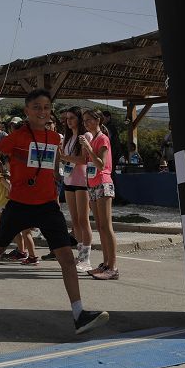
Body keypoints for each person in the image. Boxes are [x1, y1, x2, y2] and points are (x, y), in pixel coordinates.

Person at [0, 89, 109, 336]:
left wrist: (60, 184)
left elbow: (53, 169)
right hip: (19, 205)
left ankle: (79, 314)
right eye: (37, 107)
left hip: (47, 206)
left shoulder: (55, 138)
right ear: (26, 111)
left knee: (67, 258)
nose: (42, 111)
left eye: (46, 107)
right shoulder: (17, 137)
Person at [80, 108, 118, 280]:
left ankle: (113, 267)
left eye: (88, 120)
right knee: (100, 227)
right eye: (84, 120)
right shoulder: (94, 138)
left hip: (103, 182)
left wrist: (88, 147)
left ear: (97, 121)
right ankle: (105, 264)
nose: (85, 123)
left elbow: (101, 164)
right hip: (93, 184)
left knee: (106, 226)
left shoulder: (102, 138)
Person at [59, 107, 93, 272]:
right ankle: (81, 255)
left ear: (79, 119)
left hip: (82, 182)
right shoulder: (67, 137)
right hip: (68, 180)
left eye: (72, 118)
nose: (68, 121)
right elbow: (66, 160)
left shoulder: (85, 136)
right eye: (67, 118)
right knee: (74, 221)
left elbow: (83, 159)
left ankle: (86, 258)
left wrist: (64, 157)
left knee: (83, 220)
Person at [0, 159, 34, 263]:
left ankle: (4, 251)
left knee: (2, 229)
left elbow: (9, 187)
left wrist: (11, 196)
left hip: (3, 205)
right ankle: (16, 251)